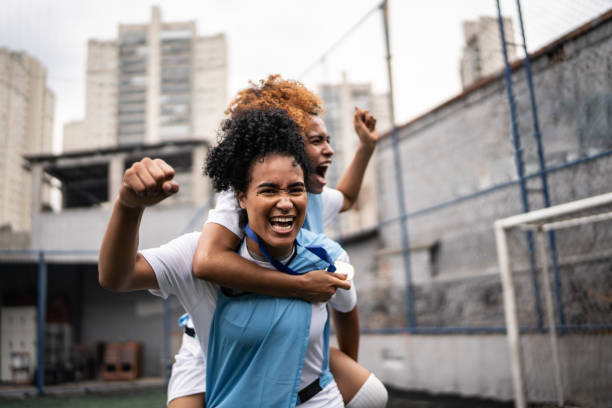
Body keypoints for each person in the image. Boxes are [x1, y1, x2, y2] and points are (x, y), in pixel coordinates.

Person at [99, 109, 352, 407]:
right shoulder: (195, 256)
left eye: (295, 190)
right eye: (268, 190)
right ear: (241, 198)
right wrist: (128, 207)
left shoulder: (324, 257)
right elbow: (117, 277)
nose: (285, 203)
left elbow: (346, 313)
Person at [191, 75, 386, 407]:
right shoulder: (241, 194)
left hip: (289, 333)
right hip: (213, 341)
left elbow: (349, 197)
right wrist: (299, 285)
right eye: (316, 139)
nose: (329, 148)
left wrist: (366, 146)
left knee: (370, 396)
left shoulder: (308, 199)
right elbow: (207, 261)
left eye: (328, 138)